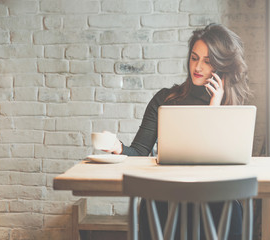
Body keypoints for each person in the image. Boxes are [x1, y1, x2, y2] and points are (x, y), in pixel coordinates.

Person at [105, 23, 252, 240]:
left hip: (215, 199)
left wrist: (214, 108)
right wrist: (118, 148)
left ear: (220, 66)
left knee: (228, 208)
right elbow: (138, 152)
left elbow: (230, 166)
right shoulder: (164, 99)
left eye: (207, 61)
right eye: (194, 58)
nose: (198, 67)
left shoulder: (232, 108)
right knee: (156, 204)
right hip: (166, 199)